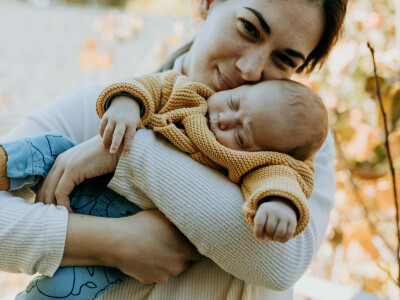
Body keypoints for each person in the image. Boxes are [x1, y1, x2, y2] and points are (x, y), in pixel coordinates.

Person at [0, 0, 347, 299]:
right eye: (248, 28)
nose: (251, 69)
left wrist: (130, 154)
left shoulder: (296, 145)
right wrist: (114, 243)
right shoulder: (112, 108)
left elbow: (280, 262)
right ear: (208, 3)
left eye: (284, 60)